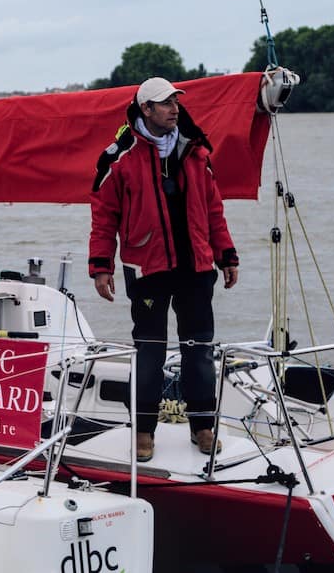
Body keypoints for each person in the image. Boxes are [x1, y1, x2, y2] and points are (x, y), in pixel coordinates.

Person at [88, 76, 239, 462]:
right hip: (147, 269)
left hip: (196, 268)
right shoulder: (118, 158)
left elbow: (214, 210)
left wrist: (227, 255)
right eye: (165, 103)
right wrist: (100, 266)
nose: (174, 108)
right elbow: (104, 217)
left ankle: (202, 426)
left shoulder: (196, 150)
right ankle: (143, 432)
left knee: (199, 351)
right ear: (145, 110)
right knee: (150, 353)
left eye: (176, 101)